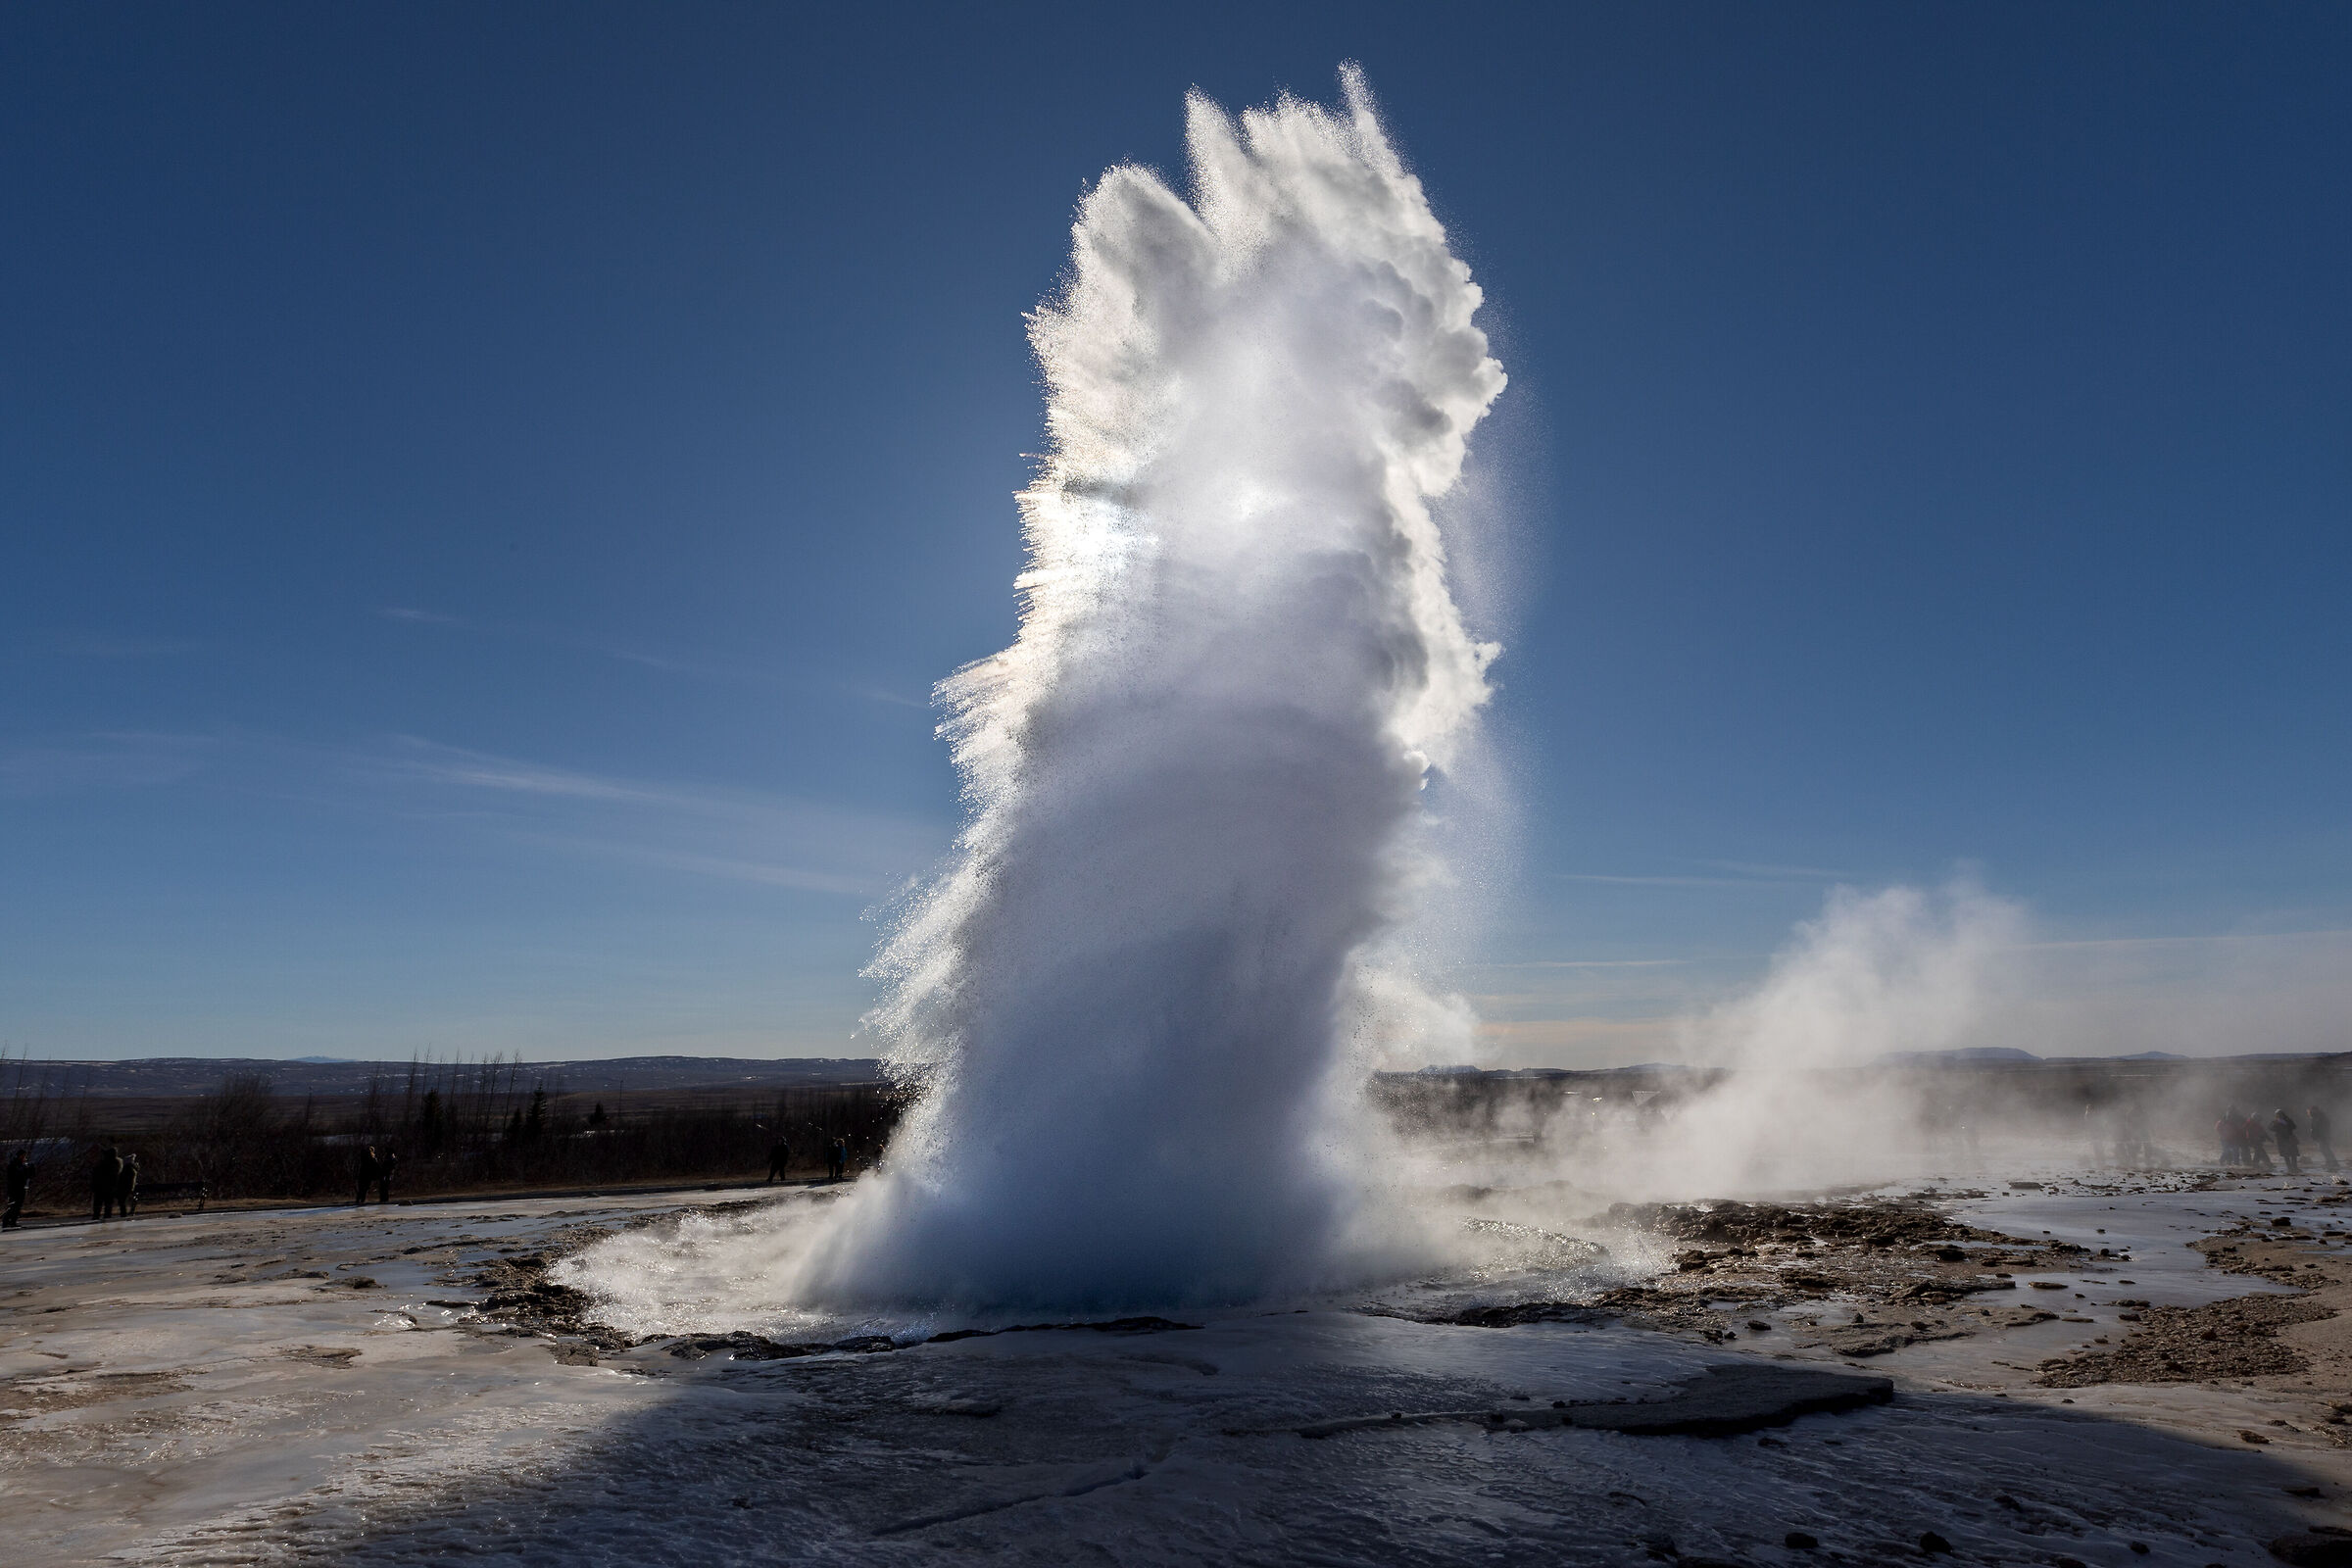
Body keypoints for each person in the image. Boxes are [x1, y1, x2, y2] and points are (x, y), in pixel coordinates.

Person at [91, 1145, 122, 1221]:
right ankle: (105, 1217)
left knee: (99, 1203)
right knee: (107, 1204)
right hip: (109, 1187)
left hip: (102, 1186)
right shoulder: (116, 1163)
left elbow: (96, 1173)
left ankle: (98, 1216)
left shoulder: (107, 1163)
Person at [4, 1149, 31, 1229]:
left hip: (20, 1187)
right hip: (14, 1188)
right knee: (14, 1205)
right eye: (23, 1156)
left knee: (18, 1206)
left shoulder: (21, 1164)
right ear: (20, 1156)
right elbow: (14, 1176)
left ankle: (13, 1221)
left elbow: (26, 1175)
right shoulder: (14, 1164)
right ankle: (7, 1221)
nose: (24, 1157)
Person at [2312, 1104, 2340, 1174]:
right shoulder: (2317, 1116)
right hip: (2321, 1136)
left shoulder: (2321, 1117)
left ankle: (2333, 1162)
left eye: (2313, 1110)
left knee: (2326, 1149)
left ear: (2316, 1110)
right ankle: (2329, 1162)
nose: (2311, 1112)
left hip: (2323, 1136)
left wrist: (2322, 1135)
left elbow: (2323, 1127)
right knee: (2324, 1149)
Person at [2274, 1109, 2303, 1174]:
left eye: (2279, 1114)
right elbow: (2270, 1128)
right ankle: (2290, 1168)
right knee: (2286, 1155)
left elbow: (2294, 1126)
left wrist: (2286, 1124)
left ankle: (2294, 1168)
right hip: (2282, 1140)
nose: (2279, 1116)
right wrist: (2277, 1124)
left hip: (2289, 1139)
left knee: (2293, 1154)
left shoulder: (2287, 1120)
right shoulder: (2276, 1121)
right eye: (2278, 1114)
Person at [115, 1152, 140, 1218]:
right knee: (122, 1200)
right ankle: (124, 1213)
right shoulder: (133, 1169)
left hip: (126, 1188)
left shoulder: (127, 1169)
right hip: (130, 1188)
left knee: (121, 1200)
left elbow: (122, 1179)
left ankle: (123, 1214)